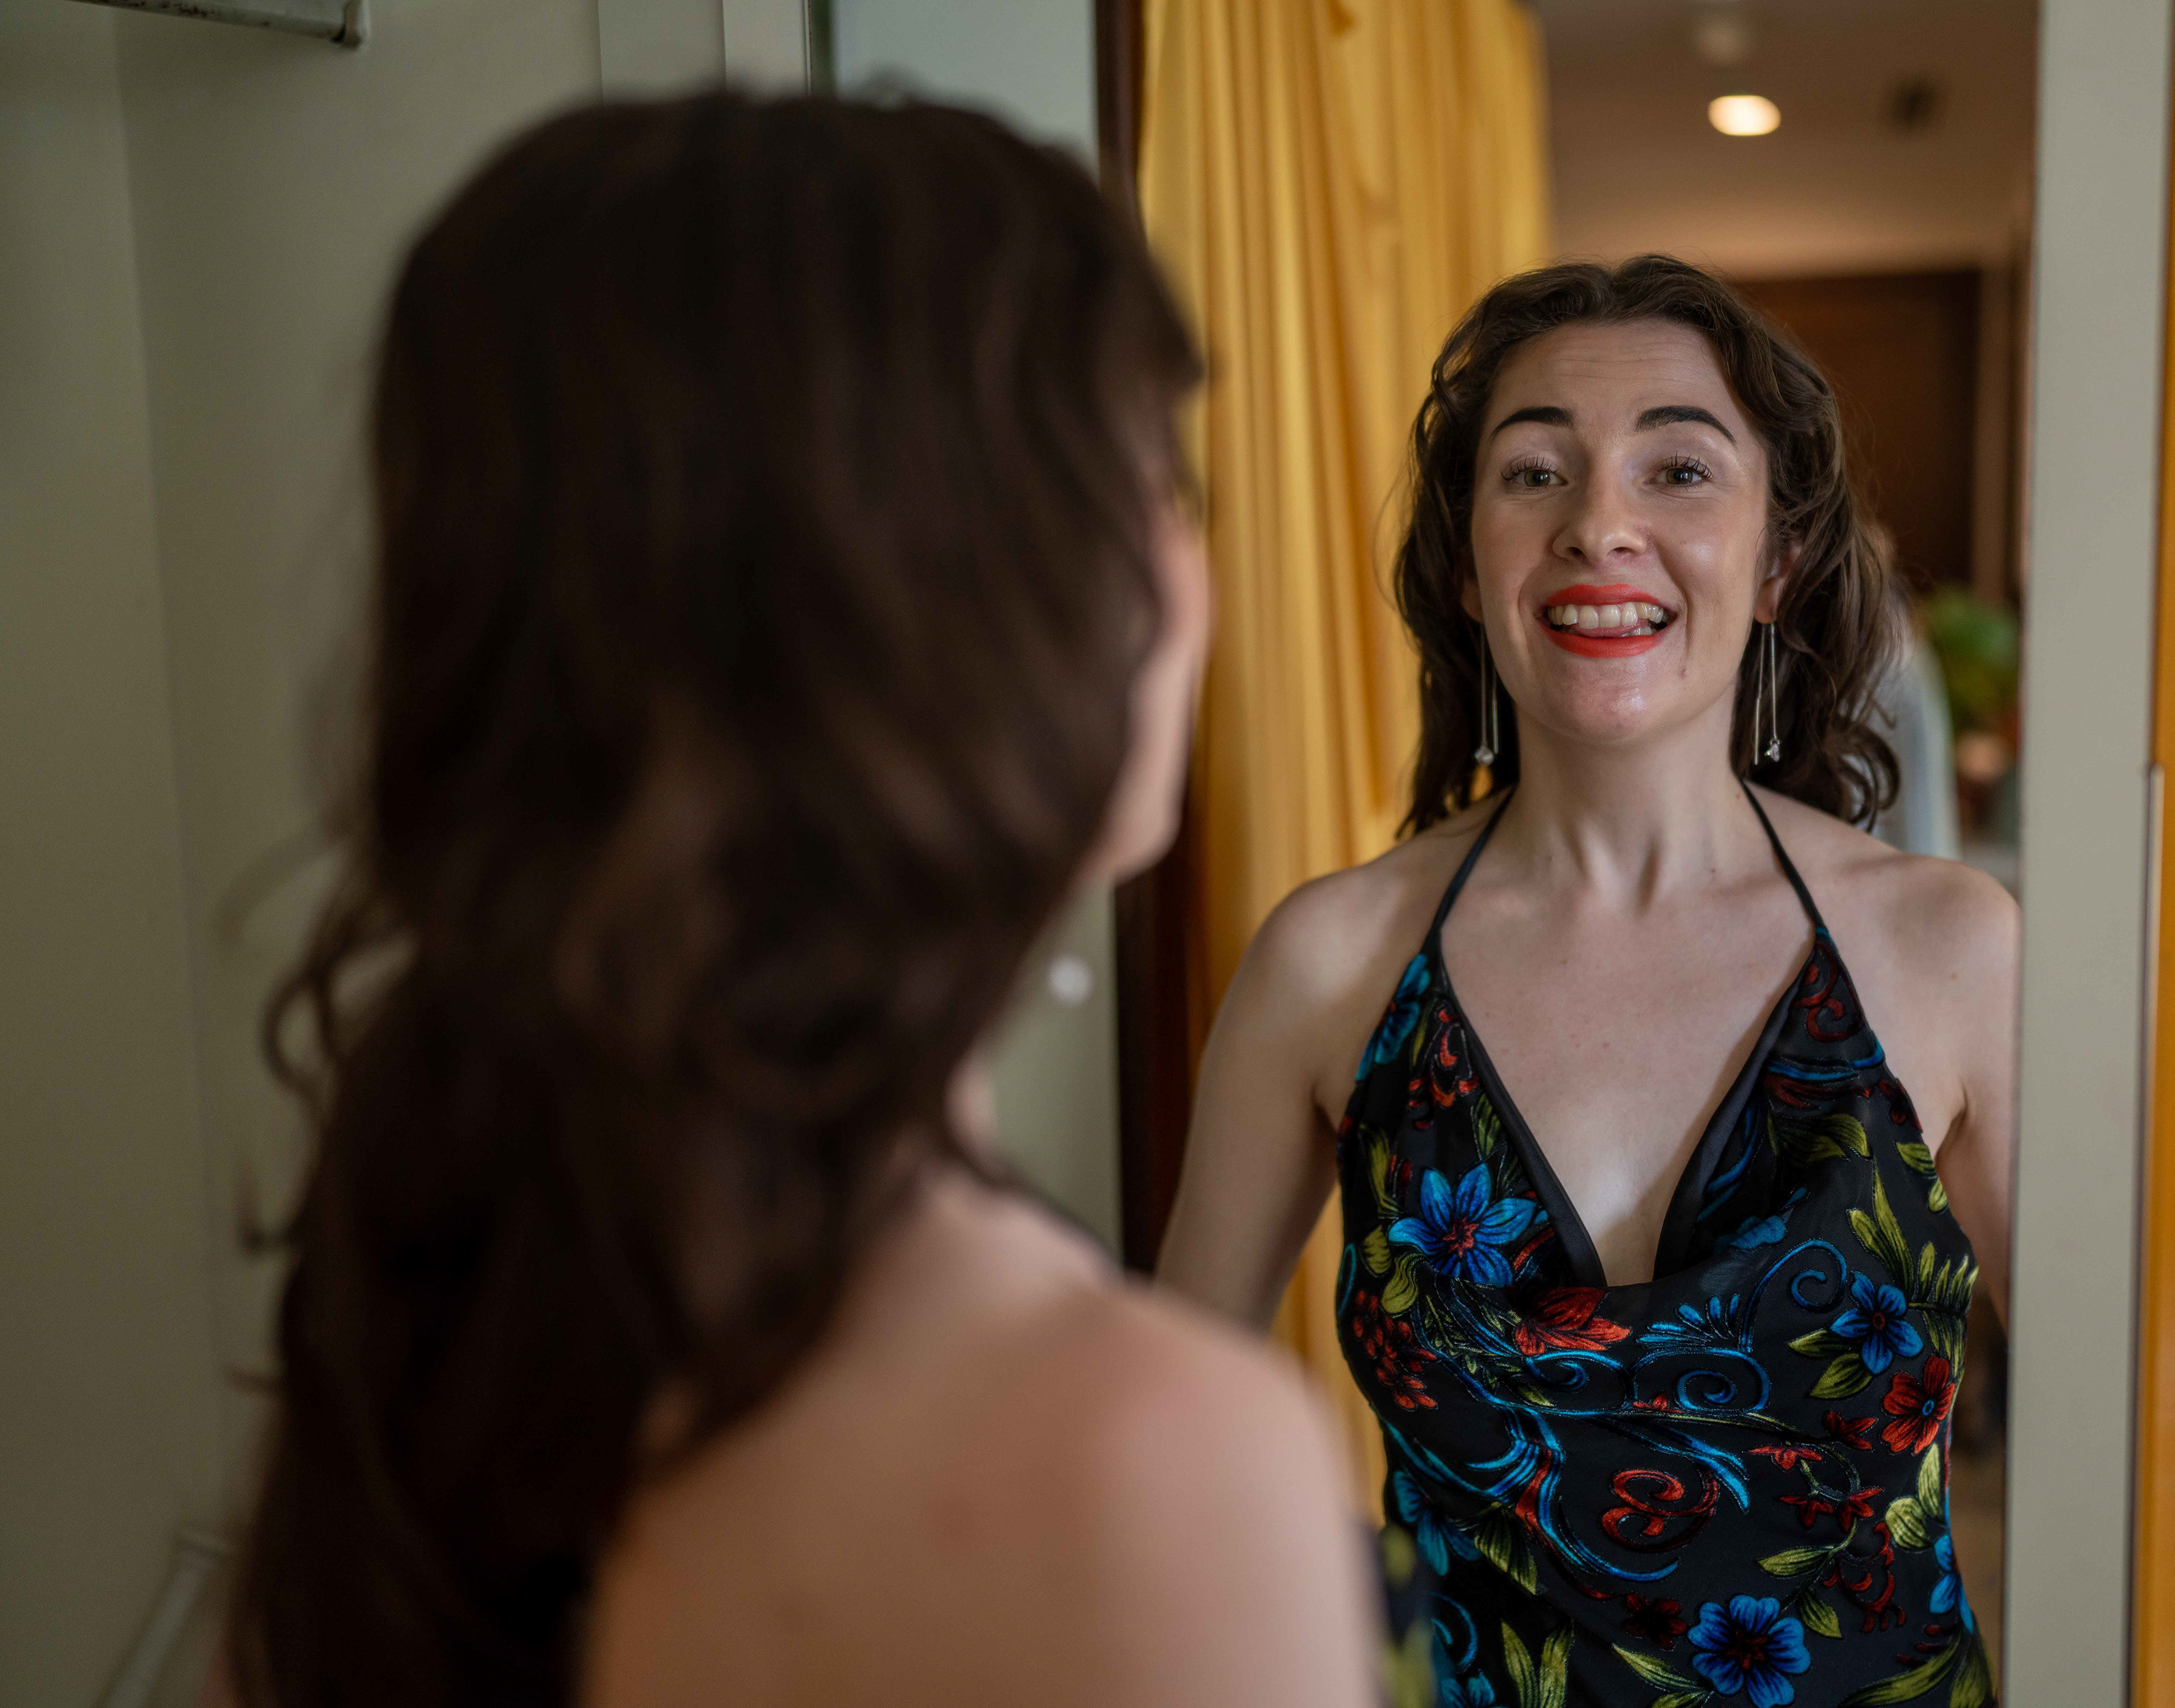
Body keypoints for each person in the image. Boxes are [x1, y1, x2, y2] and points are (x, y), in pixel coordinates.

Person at [226, 95, 1375, 1708]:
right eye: (1153, 479)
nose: (1194, 564)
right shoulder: (1143, 1460)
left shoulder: (430, 1288)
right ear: (961, 606)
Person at [1160, 257, 2018, 1706]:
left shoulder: (1950, 950)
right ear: (1465, 563)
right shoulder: (1331, 965)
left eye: (1678, 469)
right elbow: (1169, 1440)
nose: (1599, 525)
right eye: (1535, 472)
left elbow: (2144, 1453)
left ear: (1778, 562)